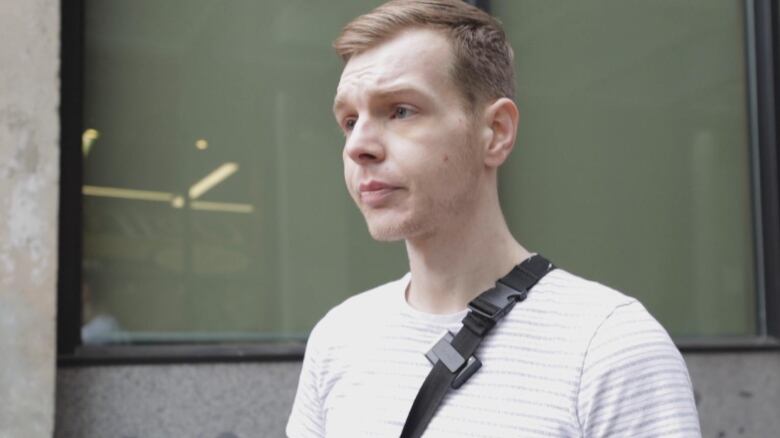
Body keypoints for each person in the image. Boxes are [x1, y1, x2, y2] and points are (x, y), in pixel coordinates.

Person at [287, 1, 701, 436]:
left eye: (400, 110)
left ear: (496, 132)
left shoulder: (608, 346)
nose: (358, 146)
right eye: (349, 120)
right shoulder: (339, 338)